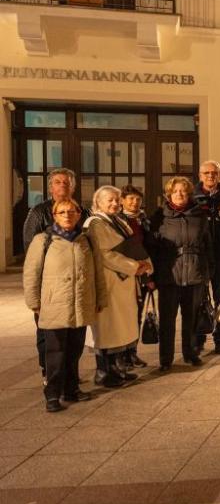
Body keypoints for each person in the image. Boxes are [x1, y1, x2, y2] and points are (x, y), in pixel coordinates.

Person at [23, 199, 106, 412]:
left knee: (74, 350)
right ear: (54, 215)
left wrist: (100, 298)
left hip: (81, 304)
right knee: (55, 352)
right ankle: (52, 394)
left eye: (72, 211)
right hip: (55, 305)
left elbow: (98, 271)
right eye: (62, 212)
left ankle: (71, 389)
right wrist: (33, 302)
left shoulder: (87, 239)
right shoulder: (43, 240)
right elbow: (31, 274)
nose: (67, 215)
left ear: (79, 214)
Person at [22, 168, 90, 380]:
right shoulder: (38, 212)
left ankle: (70, 377)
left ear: (73, 187)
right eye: (58, 182)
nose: (63, 186)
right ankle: (49, 374)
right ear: (50, 187)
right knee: (47, 334)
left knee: (74, 335)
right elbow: (30, 249)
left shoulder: (83, 211)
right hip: (50, 287)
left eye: (67, 182)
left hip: (76, 285)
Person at [84, 186, 152, 388]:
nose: (114, 203)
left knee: (120, 327)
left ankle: (118, 368)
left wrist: (144, 263)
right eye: (109, 200)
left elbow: (132, 246)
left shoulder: (117, 220)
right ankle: (104, 373)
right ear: (98, 203)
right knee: (107, 328)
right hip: (108, 283)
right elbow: (105, 254)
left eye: (116, 199)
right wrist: (134, 266)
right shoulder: (94, 223)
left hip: (123, 282)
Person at [149, 177, 213, 371]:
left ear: (189, 194)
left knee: (191, 318)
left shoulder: (199, 215)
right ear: (169, 194)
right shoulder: (159, 217)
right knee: (167, 320)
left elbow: (207, 245)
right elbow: (152, 248)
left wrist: (206, 273)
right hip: (169, 275)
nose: (179, 194)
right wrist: (152, 276)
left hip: (194, 274)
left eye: (183, 191)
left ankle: (190, 353)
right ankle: (165, 359)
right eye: (175, 191)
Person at [194, 160, 220, 355]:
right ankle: (198, 340)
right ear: (200, 175)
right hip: (199, 257)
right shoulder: (192, 197)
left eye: (214, 173)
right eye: (206, 173)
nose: (210, 176)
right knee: (199, 299)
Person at [120, 184, 152, 366]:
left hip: (142, 273)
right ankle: (121, 354)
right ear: (122, 200)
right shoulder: (118, 220)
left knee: (137, 314)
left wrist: (149, 276)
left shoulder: (143, 219)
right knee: (124, 315)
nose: (134, 202)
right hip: (124, 273)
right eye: (131, 198)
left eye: (138, 199)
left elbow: (147, 247)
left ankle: (132, 352)